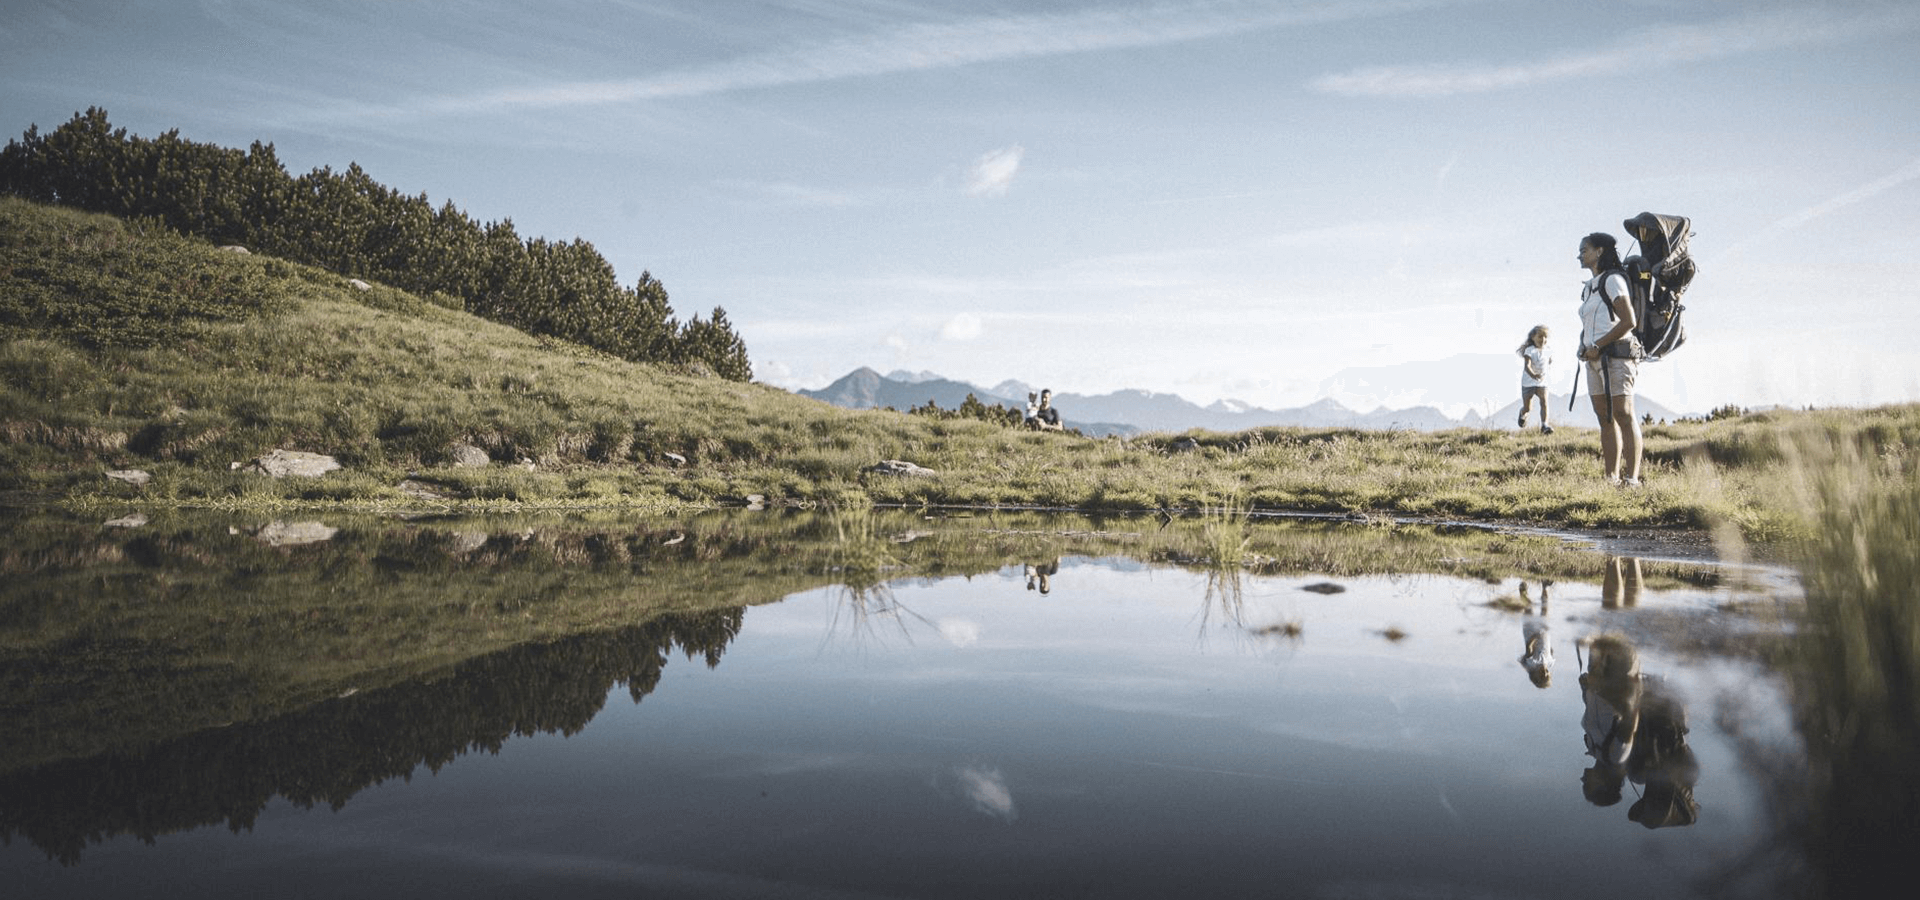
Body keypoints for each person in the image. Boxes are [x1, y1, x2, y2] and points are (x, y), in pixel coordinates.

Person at [1575, 233, 1644, 486]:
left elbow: (1629, 321)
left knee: (1623, 414)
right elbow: (1592, 323)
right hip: (1593, 360)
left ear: (1599, 251)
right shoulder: (1589, 287)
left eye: (1584, 250)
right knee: (1604, 417)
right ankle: (1611, 479)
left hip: (1617, 356)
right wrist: (1584, 346)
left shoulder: (1613, 280)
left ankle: (1632, 480)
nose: (1579, 254)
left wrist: (1598, 345)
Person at [1516, 325, 1553, 433]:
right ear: (1533, 337)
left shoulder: (1548, 350)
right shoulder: (1530, 350)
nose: (1543, 340)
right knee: (1528, 408)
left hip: (1542, 382)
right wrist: (1533, 375)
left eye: (1545, 337)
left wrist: (1544, 374)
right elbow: (1527, 366)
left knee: (1544, 402)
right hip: (1528, 383)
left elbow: (1549, 362)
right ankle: (1523, 413)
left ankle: (1544, 426)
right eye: (1540, 337)